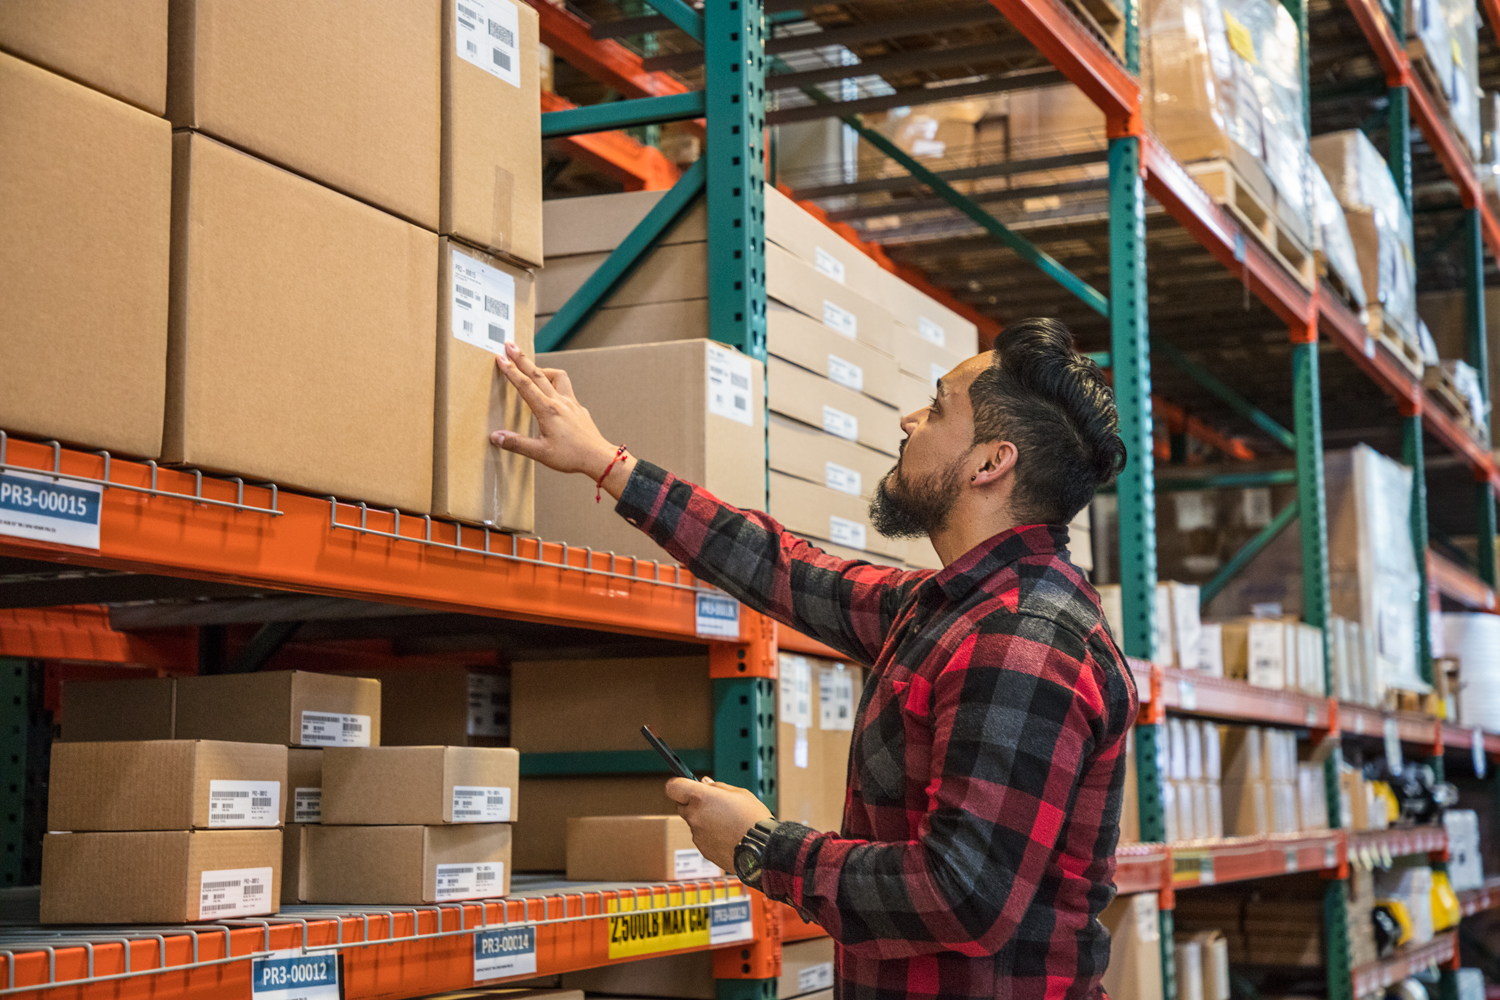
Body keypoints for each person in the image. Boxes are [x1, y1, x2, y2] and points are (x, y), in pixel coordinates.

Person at [491, 317, 1137, 1000]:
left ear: (989, 463)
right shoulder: (948, 609)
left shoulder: (1019, 641)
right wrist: (605, 462)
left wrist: (763, 846)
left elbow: (960, 897)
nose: (909, 420)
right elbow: (785, 570)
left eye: (939, 407)